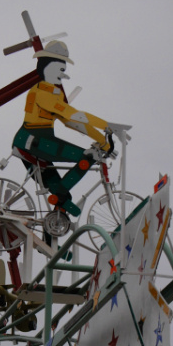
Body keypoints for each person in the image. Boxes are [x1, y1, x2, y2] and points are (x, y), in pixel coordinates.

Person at [13, 40, 115, 222]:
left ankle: (53, 227)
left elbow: (71, 122)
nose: (63, 75)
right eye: (60, 69)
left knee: (62, 194)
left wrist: (102, 141)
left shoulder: (55, 93)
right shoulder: (41, 92)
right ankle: (64, 205)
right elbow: (72, 114)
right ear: (46, 66)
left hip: (39, 144)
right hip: (33, 140)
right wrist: (106, 126)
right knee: (87, 157)